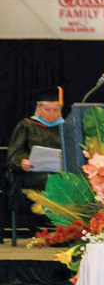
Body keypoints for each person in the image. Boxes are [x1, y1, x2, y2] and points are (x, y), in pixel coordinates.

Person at [6, 87, 64, 215]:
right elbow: (14, 153)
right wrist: (22, 162)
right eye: (47, 109)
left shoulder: (65, 128)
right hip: (31, 174)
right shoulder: (27, 125)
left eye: (55, 110)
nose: (51, 113)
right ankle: (44, 223)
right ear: (39, 109)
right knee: (51, 180)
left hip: (60, 173)